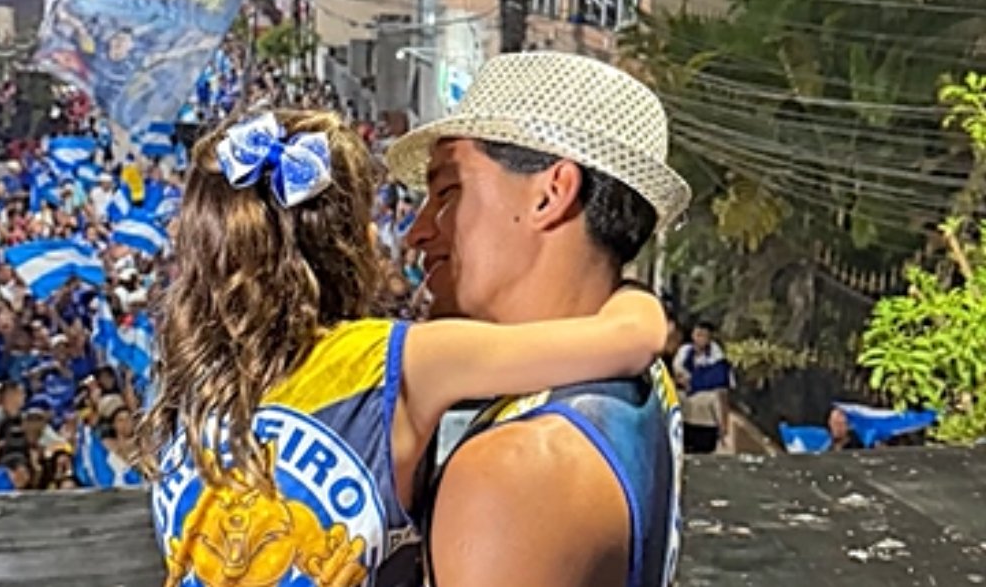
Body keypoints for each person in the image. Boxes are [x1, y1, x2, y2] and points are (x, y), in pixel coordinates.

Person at [142, 107, 670, 587]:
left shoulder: (198, 378)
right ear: (360, 245)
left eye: (447, 194)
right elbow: (631, 340)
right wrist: (631, 293)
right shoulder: (401, 361)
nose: (418, 232)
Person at [386, 52, 690, 586]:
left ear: (551, 193)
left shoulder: (515, 474)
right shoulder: (631, 374)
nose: (418, 232)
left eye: (449, 192)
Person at [673, 321, 732, 454]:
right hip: (686, 407)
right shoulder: (684, 352)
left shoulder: (717, 358)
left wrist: (723, 426)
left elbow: (721, 386)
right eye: (698, 334)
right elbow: (678, 374)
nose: (700, 339)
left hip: (706, 409)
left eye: (704, 335)